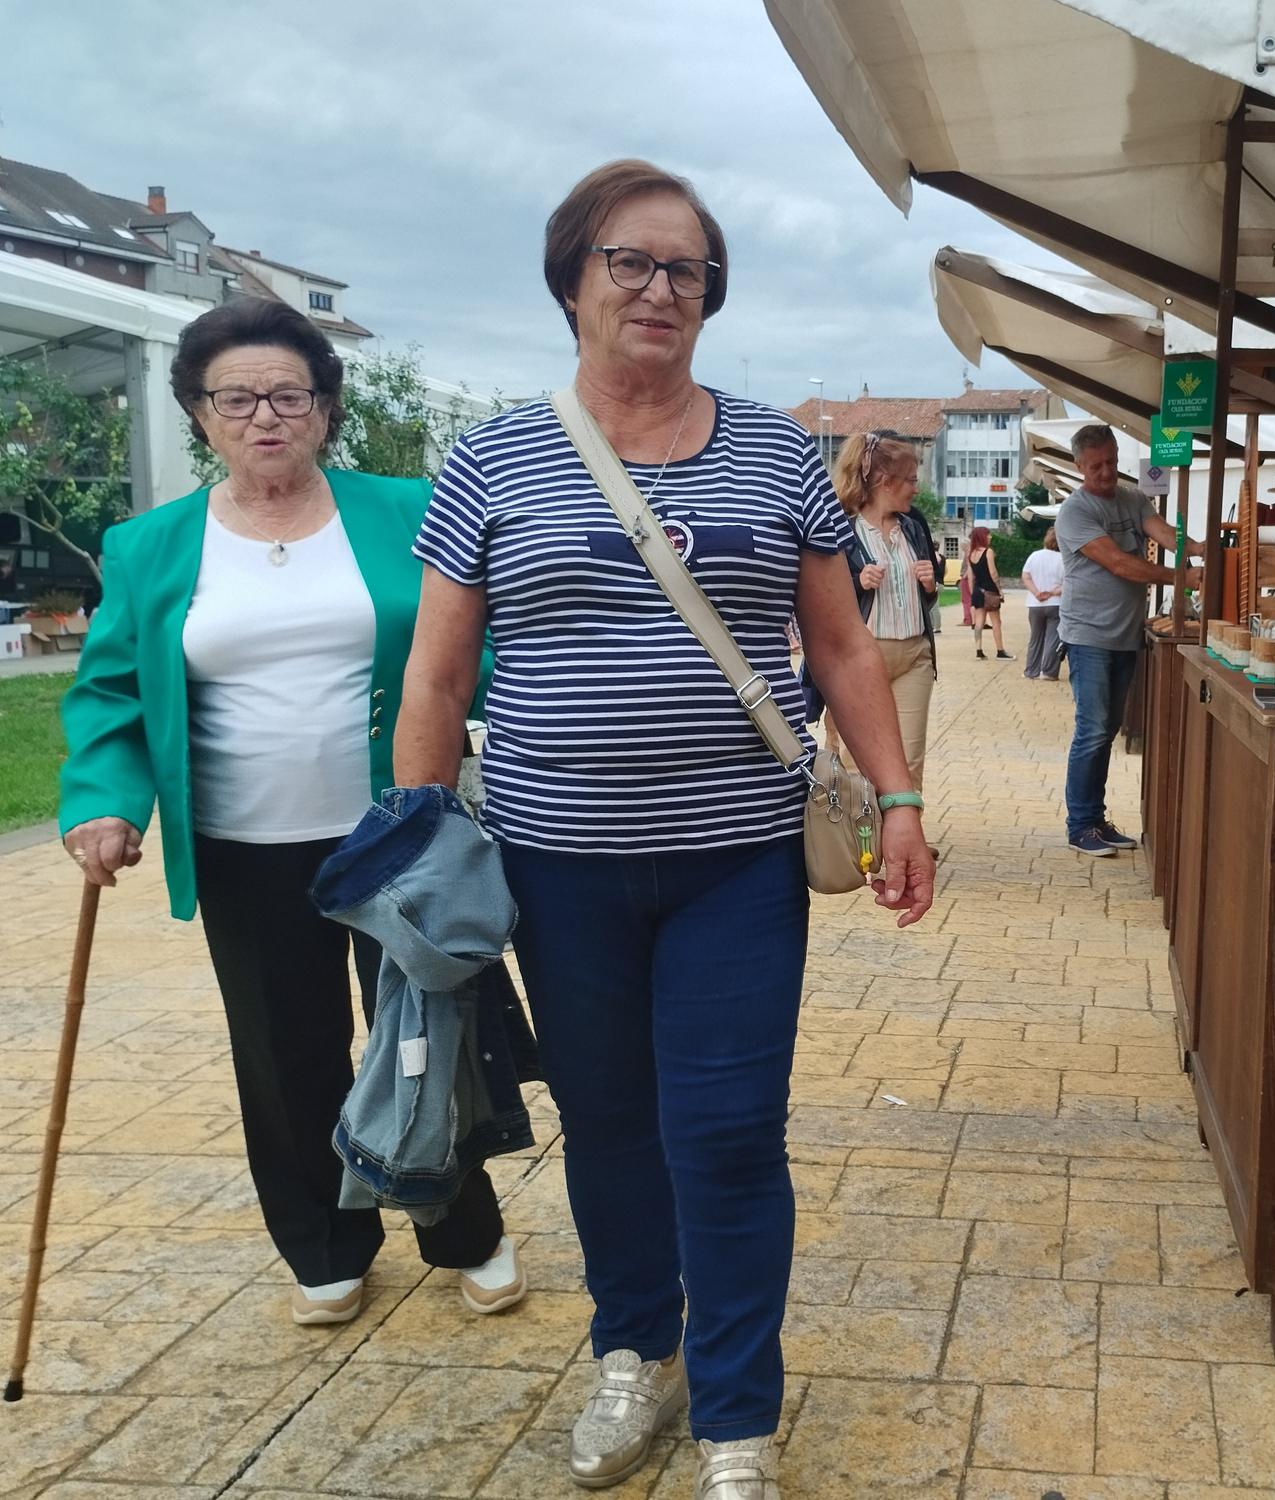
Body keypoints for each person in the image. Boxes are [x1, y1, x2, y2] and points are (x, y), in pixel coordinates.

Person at [394, 159, 933, 1498]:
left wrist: (903, 797)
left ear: (711, 297)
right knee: (611, 1123)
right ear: (571, 279)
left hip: (738, 861)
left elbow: (844, 650)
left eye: (686, 270)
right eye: (629, 263)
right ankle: (635, 1344)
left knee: (732, 1129)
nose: (659, 290)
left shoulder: (771, 454)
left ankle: (738, 1411)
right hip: (553, 863)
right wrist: (413, 835)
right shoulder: (494, 456)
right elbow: (438, 678)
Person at [57, 299, 524, 1329]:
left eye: (288, 394)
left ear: (324, 408)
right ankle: (323, 1238)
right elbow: (111, 694)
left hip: (396, 835)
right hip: (242, 847)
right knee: (283, 1053)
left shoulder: (408, 510)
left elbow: (476, 653)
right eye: (237, 398)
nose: (264, 416)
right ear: (200, 413)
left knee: (426, 1034)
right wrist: (101, 804)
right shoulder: (148, 545)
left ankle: (463, 1231)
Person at [1055, 423, 1204, 856]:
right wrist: (1184, 577)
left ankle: (1096, 820)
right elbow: (1120, 564)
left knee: (1108, 729)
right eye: (1096, 466)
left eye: (1112, 462)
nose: (1106, 472)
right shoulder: (1075, 513)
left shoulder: (1134, 498)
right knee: (1092, 729)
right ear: (1080, 466)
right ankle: (1080, 825)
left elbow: (1166, 535)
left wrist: (1200, 548)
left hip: (1123, 634)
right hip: (1088, 635)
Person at [827, 429, 942, 788]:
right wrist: (855, 583)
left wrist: (929, 585)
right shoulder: (841, 528)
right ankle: (862, 842)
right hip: (862, 657)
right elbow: (819, 600)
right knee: (857, 763)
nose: (916, 488)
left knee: (909, 761)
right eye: (909, 480)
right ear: (883, 481)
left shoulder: (913, 527)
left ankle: (905, 842)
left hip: (915, 655)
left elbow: (928, 597)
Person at [1020, 527, 1065, 680]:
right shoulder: (1064, 559)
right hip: (1056, 603)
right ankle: (1048, 672)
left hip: (1035, 604)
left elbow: (1025, 576)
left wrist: (1036, 592)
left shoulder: (1034, 556)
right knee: (1053, 638)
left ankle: (1031, 670)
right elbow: (1068, 584)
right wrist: (1052, 593)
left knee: (1035, 638)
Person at [964, 525, 1010, 659]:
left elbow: (970, 575)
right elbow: (993, 572)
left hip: (978, 590)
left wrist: (973, 592)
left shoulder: (970, 553)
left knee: (979, 622)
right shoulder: (988, 551)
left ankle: (979, 651)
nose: (990, 537)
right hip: (990, 590)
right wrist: (999, 589)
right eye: (988, 534)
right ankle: (1000, 651)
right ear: (982, 537)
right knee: (996, 621)